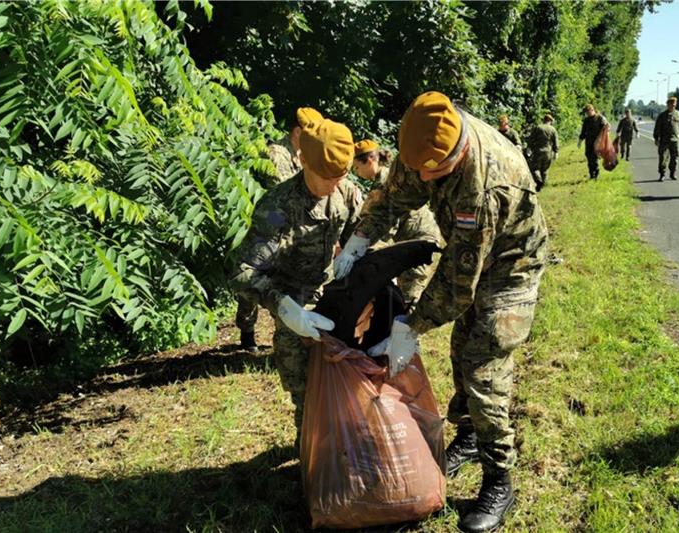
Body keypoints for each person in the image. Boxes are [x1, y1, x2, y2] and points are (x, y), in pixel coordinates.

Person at [336, 92, 548, 533]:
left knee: (483, 364)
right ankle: (470, 436)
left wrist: (408, 329)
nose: (425, 177)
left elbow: (457, 284)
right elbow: (393, 195)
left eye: (435, 170)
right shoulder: (422, 143)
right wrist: (359, 238)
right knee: (460, 348)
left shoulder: (487, 185)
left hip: (512, 265)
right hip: (471, 254)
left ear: (460, 151)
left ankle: (498, 478)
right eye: (420, 168)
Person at [230, 118, 363, 446]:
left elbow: (359, 236)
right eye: (326, 178)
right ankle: (313, 456)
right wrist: (283, 307)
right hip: (291, 299)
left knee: (351, 382)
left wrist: (355, 255)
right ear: (303, 160)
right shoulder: (278, 209)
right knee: (306, 392)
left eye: (341, 176)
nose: (334, 186)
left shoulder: (346, 193)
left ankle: (344, 449)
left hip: (331, 293)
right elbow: (244, 270)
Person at [235, 107, 324, 352]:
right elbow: (285, 191)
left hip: (291, 225)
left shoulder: (300, 154)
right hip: (271, 222)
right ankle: (247, 330)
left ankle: (286, 330)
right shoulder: (277, 154)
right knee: (255, 272)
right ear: (297, 132)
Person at [352, 139, 442, 309]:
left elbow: (386, 226)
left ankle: (408, 332)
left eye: (357, 167)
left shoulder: (386, 182)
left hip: (419, 240)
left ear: (370, 161)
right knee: (403, 292)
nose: (357, 173)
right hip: (410, 239)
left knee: (410, 296)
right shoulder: (383, 179)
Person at [653, 97, 679, 181]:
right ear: (668, 105)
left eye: (674, 105)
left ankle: (672, 173)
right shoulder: (662, 115)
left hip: (675, 140)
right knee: (663, 158)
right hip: (664, 140)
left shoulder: (678, 114)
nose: (673, 106)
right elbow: (657, 127)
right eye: (671, 105)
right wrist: (656, 138)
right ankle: (662, 174)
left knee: (674, 158)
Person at [526, 114, 559, 191]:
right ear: (550, 121)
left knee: (535, 168)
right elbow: (555, 141)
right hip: (548, 152)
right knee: (545, 170)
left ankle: (538, 180)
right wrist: (556, 151)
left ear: (544, 120)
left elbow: (531, 139)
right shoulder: (553, 129)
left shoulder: (537, 127)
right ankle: (542, 185)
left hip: (537, 151)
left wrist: (529, 148)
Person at [577, 104, 608, 180]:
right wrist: (580, 140)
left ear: (592, 110)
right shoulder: (586, 120)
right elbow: (583, 132)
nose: (587, 114)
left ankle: (596, 174)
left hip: (597, 143)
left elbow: (606, 129)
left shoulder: (600, 118)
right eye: (586, 113)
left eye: (588, 112)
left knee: (594, 159)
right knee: (588, 157)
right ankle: (591, 174)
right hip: (588, 143)